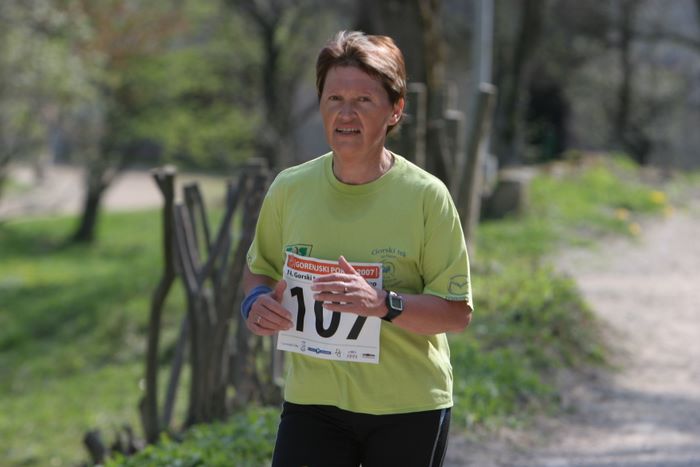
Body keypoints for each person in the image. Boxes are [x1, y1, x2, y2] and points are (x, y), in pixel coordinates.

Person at [241, 30, 473, 467]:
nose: (346, 114)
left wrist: (383, 304)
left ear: (395, 109)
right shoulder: (290, 188)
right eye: (334, 99)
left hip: (407, 406)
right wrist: (255, 302)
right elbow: (260, 269)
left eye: (363, 100)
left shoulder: (427, 196)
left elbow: (456, 313)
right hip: (312, 403)